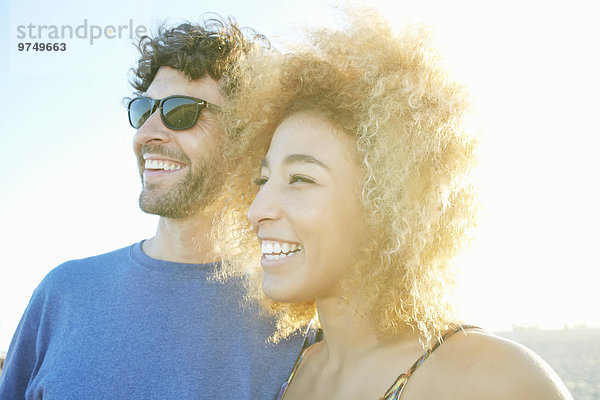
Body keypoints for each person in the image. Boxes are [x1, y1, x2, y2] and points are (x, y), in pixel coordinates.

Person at [215, 8, 574, 400]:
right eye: (262, 180)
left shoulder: (494, 382)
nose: (257, 210)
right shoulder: (289, 372)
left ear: (387, 203)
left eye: (300, 179)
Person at [0, 17, 306, 399]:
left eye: (181, 112)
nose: (145, 134)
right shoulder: (61, 294)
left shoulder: (293, 322)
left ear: (246, 136)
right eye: (143, 110)